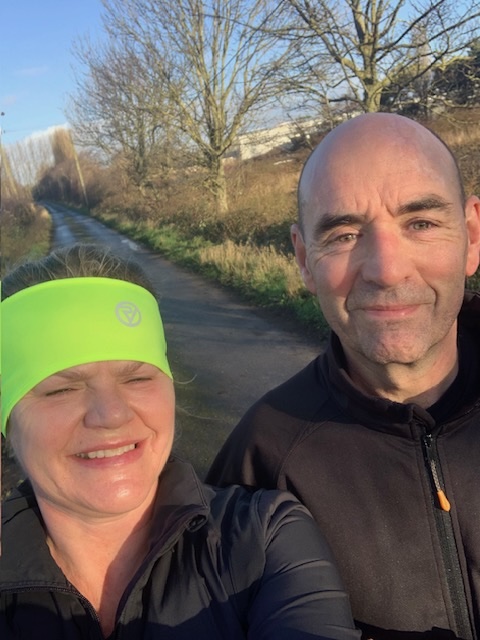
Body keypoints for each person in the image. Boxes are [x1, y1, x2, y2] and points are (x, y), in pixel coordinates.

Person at [207, 113, 480, 639]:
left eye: (420, 223)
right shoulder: (259, 462)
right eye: (345, 233)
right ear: (305, 259)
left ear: (470, 235)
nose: (386, 269)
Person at [0, 244, 360, 640]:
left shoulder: (262, 540)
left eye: (137, 378)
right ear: (8, 421)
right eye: (61, 390)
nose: (112, 414)